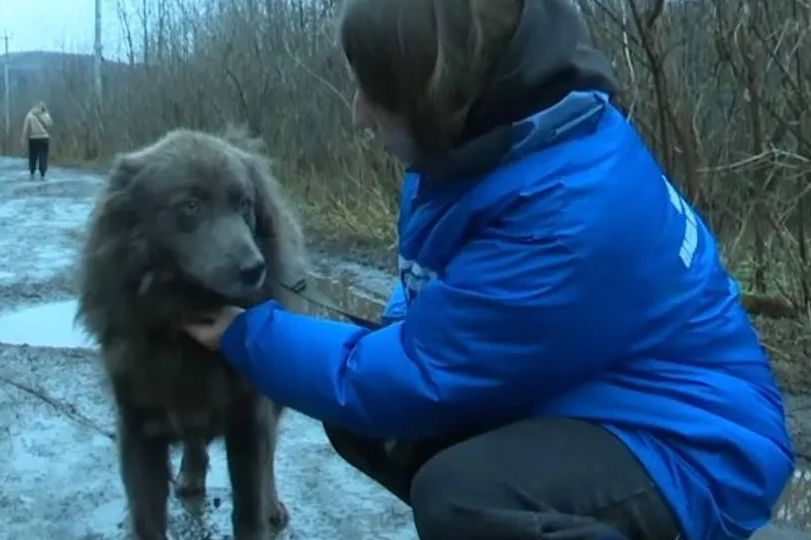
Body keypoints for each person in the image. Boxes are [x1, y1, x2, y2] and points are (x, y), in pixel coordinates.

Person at [181, 0, 796, 538]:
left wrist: (245, 333)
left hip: (696, 445)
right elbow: (431, 295)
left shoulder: (567, 210)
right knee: (367, 425)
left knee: (462, 496)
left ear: (433, 94)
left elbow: (418, 376)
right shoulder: (482, 146)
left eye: (376, 92)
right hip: (598, 399)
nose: (358, 114)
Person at [20, 101, 53, 180]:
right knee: (43, 156)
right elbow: (50, 124)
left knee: (33, 156)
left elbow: (26, 128)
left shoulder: (29, 115)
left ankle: (32, 171)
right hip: (44, 138)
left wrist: (23, 138)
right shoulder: (45, 114)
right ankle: (42, 172)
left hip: (33, 138)